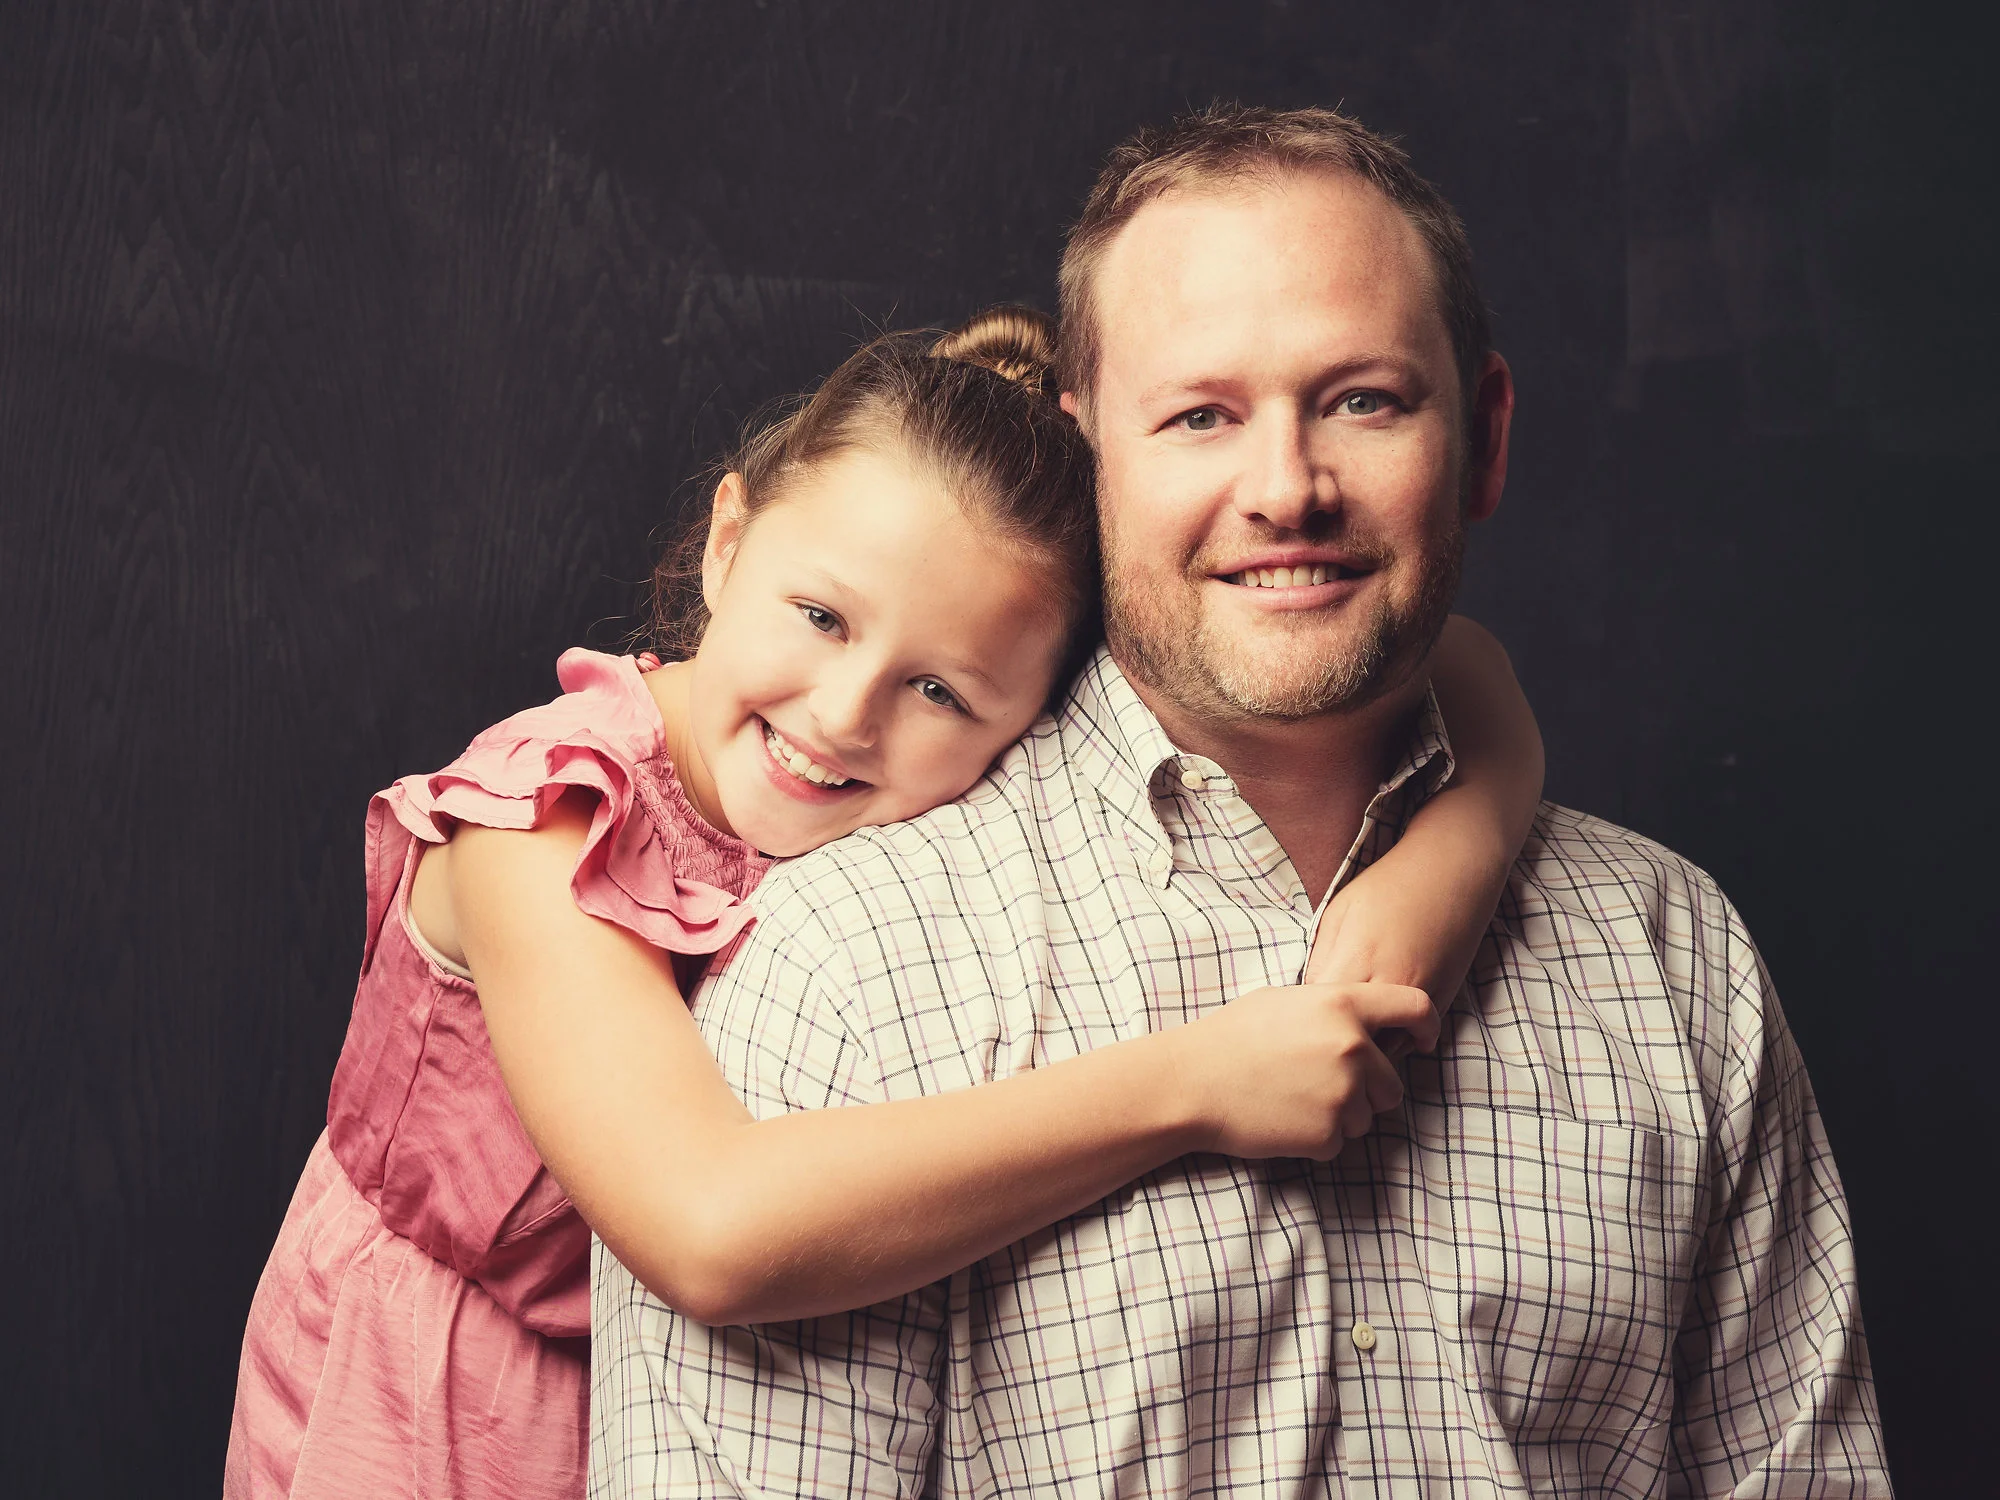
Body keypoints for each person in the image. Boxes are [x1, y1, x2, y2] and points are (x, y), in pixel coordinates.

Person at [590, 105, 1891, 1497]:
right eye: (1203, 415)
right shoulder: (850, 974)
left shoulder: (1675, 963)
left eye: (1364, 401)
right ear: (1091, 465)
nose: (1287, 490)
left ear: (1488, 435)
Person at [225, 307, 1547, 1499]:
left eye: (942, 693)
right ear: (728, 542)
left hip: (702, 1408)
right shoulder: (550, 817)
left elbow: (1468, 666)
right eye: (819, 614)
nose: (844, 713)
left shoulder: (924, 809)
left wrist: (1454, 856)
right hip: (430, 1402)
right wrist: (1195, 1082)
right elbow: (713, 1228)